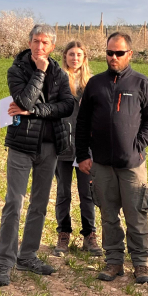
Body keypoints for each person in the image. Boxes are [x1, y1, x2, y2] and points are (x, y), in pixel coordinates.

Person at [75, 32, 148, 284]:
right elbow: (82, 123)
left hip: (132, 165)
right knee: (108, 216)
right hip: (101, 164)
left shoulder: (141, 83)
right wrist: (83, 155)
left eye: (119, 53)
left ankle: (142, 263)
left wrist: (138, 145)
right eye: (109, 53)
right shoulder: (95, 84)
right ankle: (113, 262)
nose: (113, 57)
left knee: (136, 215)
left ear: (130, 54)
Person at [0, 24, 76, 286]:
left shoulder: (61, 74)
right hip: (21, 146)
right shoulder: (17, 70)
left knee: (39, 205)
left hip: (50, 148)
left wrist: (36, 112)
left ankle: (27, 256)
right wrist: (39, 73)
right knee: (13, 205)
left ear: (52, 46)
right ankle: (5, 263)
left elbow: (67, 105)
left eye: (45, 43)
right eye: (36, 41)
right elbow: (24, 101)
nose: (40, 47)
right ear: (29, 42)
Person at [52, 40, 102, 257]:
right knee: (63, 193)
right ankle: (63, 233)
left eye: (79, 54)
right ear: (65, 56)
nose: (75, 58)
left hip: (84, 149)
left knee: (87, 193)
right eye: (71, 54)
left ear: (84, 58)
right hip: (62, 146)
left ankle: (89, 234)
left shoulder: (92, 83)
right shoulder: (57, 81)